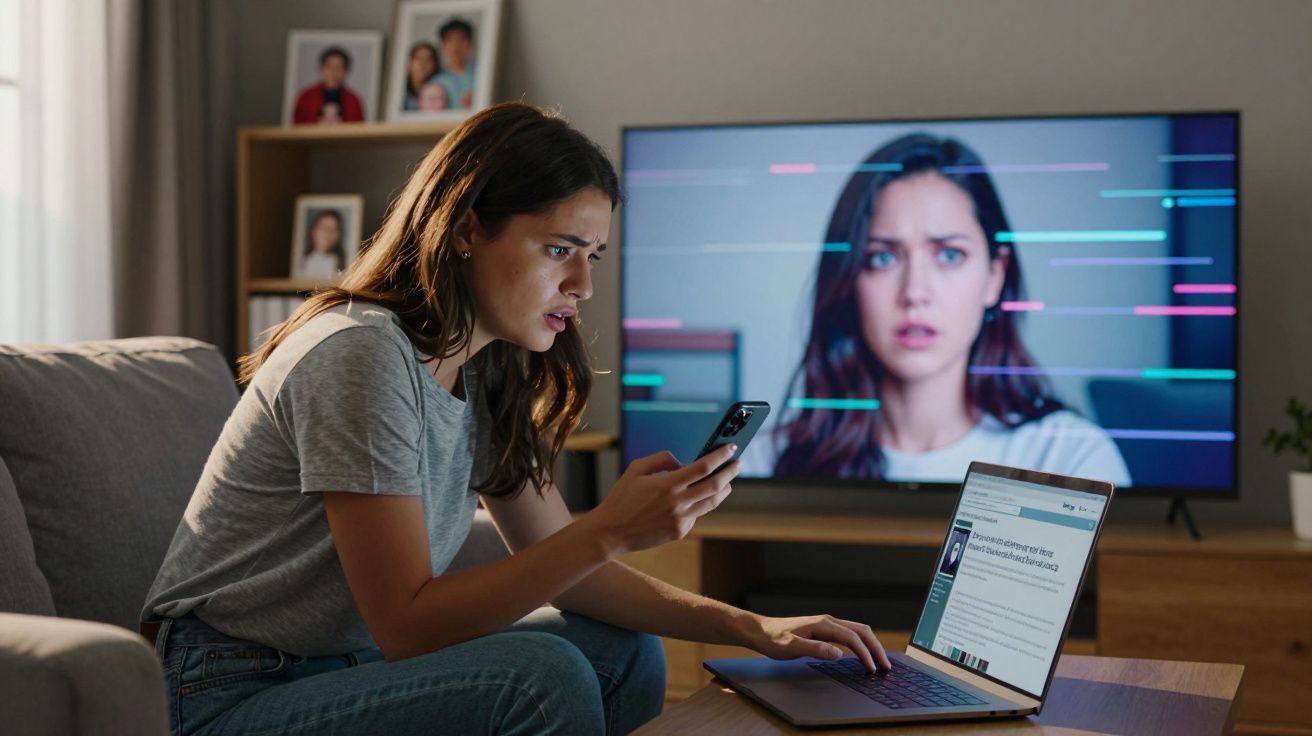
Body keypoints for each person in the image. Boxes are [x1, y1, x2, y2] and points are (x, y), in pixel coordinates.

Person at [141, 103, 890, 736]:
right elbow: (406, 624)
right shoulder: (360, 354)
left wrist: (755, 629)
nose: (583, 284)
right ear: (466, 231)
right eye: (560, 250)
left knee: (623, 649)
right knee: (541, 672)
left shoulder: (486, 366)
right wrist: (610, 529)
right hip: (229, 690)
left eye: (593, 255)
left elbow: (569, 571)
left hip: (352, 665)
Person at [759, 133, 1130, 486]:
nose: (915, 292)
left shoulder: (1069, 459)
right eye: (883, 258)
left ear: (995, 276)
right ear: (849, 279)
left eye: (950, 255)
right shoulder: (765, 463)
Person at [292, 46, 365, 124]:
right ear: (321, 69)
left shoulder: (353, 100)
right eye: (329, 67)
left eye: (338, 68)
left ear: (346, 72)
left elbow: (359, 127)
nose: (333, 72)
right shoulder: (306, 97)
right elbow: (297, 127)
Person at [433, 18, 476, 109]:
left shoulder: (483, 74)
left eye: (461, 40)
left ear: (470, 44)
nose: (456, 46)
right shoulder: (436, 81)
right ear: (443, 46)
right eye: (450, 40)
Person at [297, 209, 348, 280]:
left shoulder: (344, 264)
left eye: (334, 229)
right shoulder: (301, 261)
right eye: (323, 227)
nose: (328, 233)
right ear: (313, 231)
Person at [401, 41, 440, 111]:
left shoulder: (440, 90)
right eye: (418, 58)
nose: (422, 63)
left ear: (435, 65)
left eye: (428, 59)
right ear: (409, 62)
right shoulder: (399, 90)